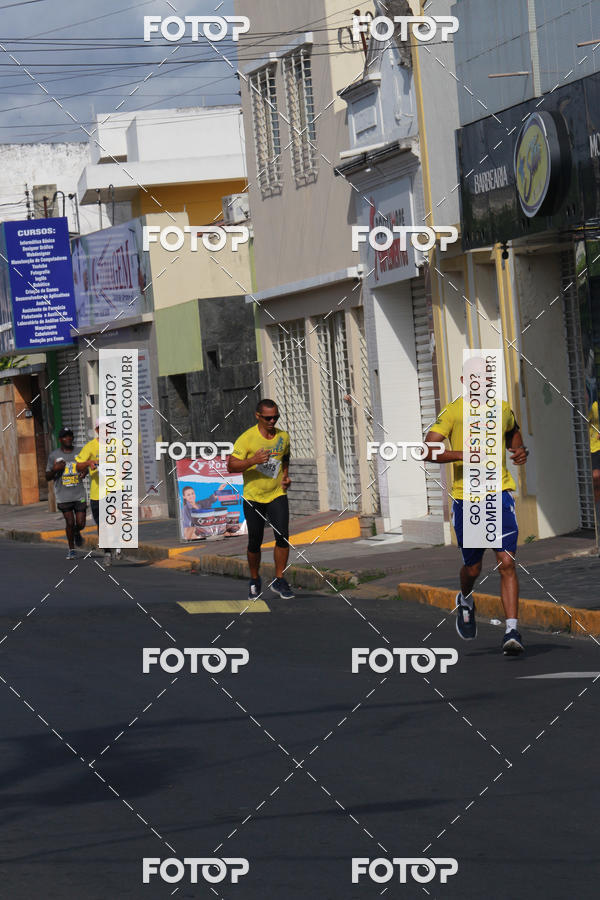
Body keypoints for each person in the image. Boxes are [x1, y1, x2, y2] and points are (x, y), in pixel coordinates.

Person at [424, 359, 529, 655]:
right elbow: (427, 449)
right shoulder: (454, 412)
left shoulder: (502, 408)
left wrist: (518, 451)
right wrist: (462, 454)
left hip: (499, 493)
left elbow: (513, 433)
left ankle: (512, 630)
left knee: (506, 563)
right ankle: (466, 599)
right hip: (467, 498)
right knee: (473, 567)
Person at [228, 399, 294, 600]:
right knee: (255, 542)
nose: (272, 420)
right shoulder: (247, 438)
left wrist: (286, 476)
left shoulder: (283, 436)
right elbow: (231, 466)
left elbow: (285, 458)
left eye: (275, 417)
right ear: (258, 416)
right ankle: (255, 579)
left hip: (276, 494)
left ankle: (279, 579)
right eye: (268, 417)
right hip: (253, 497)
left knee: (282, 536)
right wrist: (253, 461)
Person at [76, 418, 121, 567]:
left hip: (115, 488)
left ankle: (117, 542)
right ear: (97, 430)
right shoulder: (90, 447)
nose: (107, 431)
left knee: (115, 517)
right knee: (102, 524)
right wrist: (89, 463)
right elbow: (78, 465)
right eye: (103, 428)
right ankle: (108, 552)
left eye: (109, 428)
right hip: (97, 492)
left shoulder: (117, 444)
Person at [46, 427, 87, 560]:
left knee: (80, 523)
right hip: (63, 496)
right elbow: (47, 476)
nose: (68, 438)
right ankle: (71, 549)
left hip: (79, 493)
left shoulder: (80, 452)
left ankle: (76, 533)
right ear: (60, 440)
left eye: (70, 436)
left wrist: (85, 471)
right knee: (70, 522)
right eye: (65, 436)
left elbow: (86, 466)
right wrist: (54, 469)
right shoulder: (54, 455)